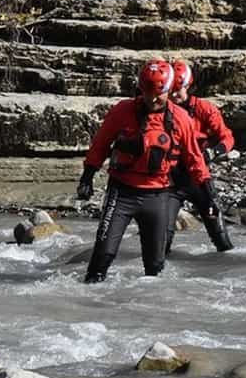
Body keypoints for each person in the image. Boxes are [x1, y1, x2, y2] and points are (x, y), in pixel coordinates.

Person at [76, 58, 218, 283]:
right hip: (122, 193)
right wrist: (87, 177)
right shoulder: (122, 110)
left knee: (155, 268)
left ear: (169, 90)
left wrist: (209, 196)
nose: (152, 99)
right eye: (147, 93)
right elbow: (100, 145)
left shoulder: (181, 119)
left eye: (158, 94)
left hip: (158, 195)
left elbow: (195, 160)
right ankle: (90, 294)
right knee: (103, 255)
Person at [166, 59, 235, 254]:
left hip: (199, 179)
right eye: (170, 90)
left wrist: (213, 152)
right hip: (170, 181)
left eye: (177, 90)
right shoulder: (161, 111)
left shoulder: (205, 109)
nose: (173, 95)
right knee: (162, 238)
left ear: (188, 86)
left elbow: (227, 137)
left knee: (220, 236)